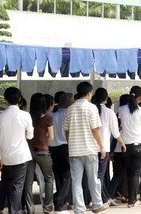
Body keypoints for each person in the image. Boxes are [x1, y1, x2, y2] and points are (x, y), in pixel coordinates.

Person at [63, 82, 110, 214]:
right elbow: (95, 129)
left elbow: (66, 130)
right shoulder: (91, 108)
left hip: (74, 151)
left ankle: (79, 209)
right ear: (89, 93)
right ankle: (96, 204)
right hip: (89, 149)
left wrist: (71, 142)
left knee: (76, 181)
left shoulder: (70, 109)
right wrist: (102, 146)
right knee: (93, 178)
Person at [0, 87, 34, 214]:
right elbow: (30, 136)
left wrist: (0, 157)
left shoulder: (0, 117)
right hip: (21, 156)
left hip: (6, 156)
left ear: (6, 100)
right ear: (19, 99)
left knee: (7, 181)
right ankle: (14, 210)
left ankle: (1, 206)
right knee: (17, 185)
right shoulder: (25, 115)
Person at [24, 93, 54, 214]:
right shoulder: (48, 118)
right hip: (42, 152)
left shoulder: (27, 117)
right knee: (49, 179)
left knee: (28, 182)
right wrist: (43, 143)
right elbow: (51, 137)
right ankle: (48, 207)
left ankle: (29, 209)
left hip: (28, 152)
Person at [118, 85, 141, 208]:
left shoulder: (121, 109)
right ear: (139, 98)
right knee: (135, 174)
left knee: (130, 173)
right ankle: (132, 201)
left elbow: (120, 125)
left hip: (125, 146)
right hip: (138, 145)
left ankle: (131, 198)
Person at [93, 88, 124, 205]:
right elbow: (115, 133)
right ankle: (101, 199)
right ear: (106, 99)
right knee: (100, 175)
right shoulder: (109, 113)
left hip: (91, 147)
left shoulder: (92, 110)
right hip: (103, 148)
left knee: (93, 175)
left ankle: (100, 198)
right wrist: (122, 142)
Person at [49, 93, 73, 214]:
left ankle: (59, 200)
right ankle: (60, 202)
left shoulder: (52, 115)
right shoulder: (68, 115)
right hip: (65, 147)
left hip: (53, 148)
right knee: (67, 175)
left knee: (58, 175)